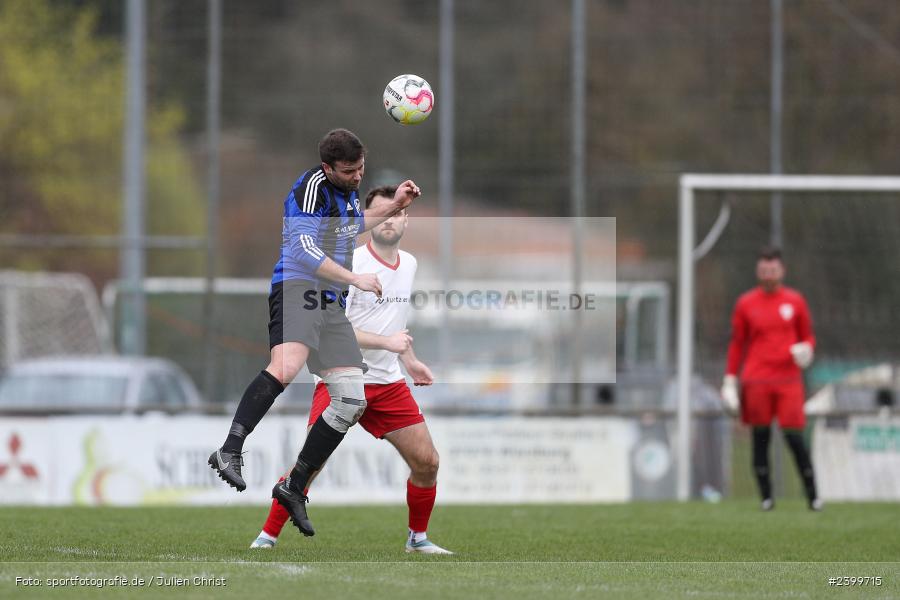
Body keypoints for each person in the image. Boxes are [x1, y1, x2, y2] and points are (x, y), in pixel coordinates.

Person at [208, 129, 421, 529]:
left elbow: (353, 226)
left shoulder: (348, 191)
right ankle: (230, 449)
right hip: (299, 287)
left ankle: (294, 486)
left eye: (361, 168)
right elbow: (302, 249)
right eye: (349, 170)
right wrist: (354, 278)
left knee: (351, 400)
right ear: (328, 167)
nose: (358, 176)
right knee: (286, 366)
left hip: (330, 301)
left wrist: (395, 205)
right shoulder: (312, 188)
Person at [251, 186, 452, 554]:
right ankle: (266, 537)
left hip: (387, 384)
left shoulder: (409, 264)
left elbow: (394, 324)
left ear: (406, 220)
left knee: (427, 462)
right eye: (382, 213)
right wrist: (387, 343)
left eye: (396, 213)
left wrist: (409, 360)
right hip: (340, 378)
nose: (389, 220)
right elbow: (332, 326)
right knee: (308, 466)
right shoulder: (350, 264)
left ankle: (417, 539)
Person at [721, 246, 822, 511]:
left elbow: (807, 336)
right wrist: (730, 379)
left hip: (788, 381)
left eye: (772, 270)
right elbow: (737, 343)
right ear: (758, 271)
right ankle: (766, 499)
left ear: (782, 271)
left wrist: (807, 349)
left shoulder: (795, 301)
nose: (768, 275)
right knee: (760, 438)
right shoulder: (745, 303)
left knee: (794, 438)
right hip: (757, 381)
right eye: (763, 270)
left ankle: (813, 497)